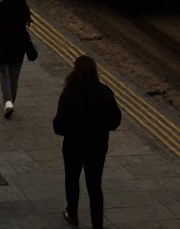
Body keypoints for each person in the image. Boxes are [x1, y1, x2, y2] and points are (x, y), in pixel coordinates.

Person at [53, 55, 122, 229]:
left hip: (73, 145)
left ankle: (73, 213)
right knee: (94, 185)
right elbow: (115, 121)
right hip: (97, 146)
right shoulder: (105, 92)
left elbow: (59, 127)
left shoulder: (68, 94)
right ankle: (97, 225)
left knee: (72, 179)